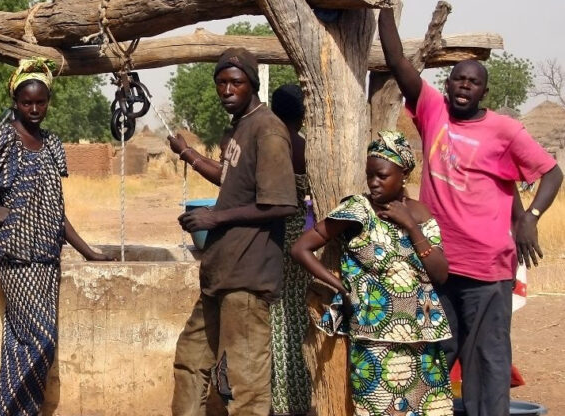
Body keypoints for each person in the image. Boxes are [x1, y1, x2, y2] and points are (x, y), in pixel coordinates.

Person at [377, 7, 563, 416]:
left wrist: (530, 218)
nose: (464, 87)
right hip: (438, 264)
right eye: (458, 79)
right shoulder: (432, 111)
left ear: (484, 92)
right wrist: (384, 6)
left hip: (487, 270)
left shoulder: (504, 131)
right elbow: (397, 61)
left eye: (473, 82)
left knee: (488, 364)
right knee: (435, 356)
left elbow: (552, 172)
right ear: (448, 86)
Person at [0, 57, 113, 416]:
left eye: (40, 102)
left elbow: (54, 210)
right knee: (42, 338)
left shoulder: (51, 143)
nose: (34, 109)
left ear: (48, 100)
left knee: (21, 343)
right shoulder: (1, 137)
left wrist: (89, 252)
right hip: (17, 258)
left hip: (49, 257)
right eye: (26, 102)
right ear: (15, 102)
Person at [168, 48, 298, 416]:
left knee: (245, 386)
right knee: (191, 362)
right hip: (220, 273)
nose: (227, 89)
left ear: (252, 85)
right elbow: (229, 179)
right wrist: (188, 154)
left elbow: (282, 204)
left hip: (247, 276)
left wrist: (215, 219)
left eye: (236, 82)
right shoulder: (241, 126)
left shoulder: (268, 130)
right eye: (221, 82)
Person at [291, 131, 453, 415]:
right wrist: (340, 288)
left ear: (403, 174)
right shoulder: (358, 210)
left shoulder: (420, 214)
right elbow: (301, 249)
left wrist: (411, 226)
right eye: (370, 175)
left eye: (382, 176)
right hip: (374, 336)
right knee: (376, 409)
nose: (374, 183)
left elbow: (440, 274)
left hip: (422, 336)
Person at [268, 84, 312, 416]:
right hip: (302, 240)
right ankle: (298, 400)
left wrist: (190, 155)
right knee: (296, 321)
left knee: (274, 322)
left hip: (273, 239)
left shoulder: (274, 147)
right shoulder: (306, 149)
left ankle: (278, 401)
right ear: (304, 113)